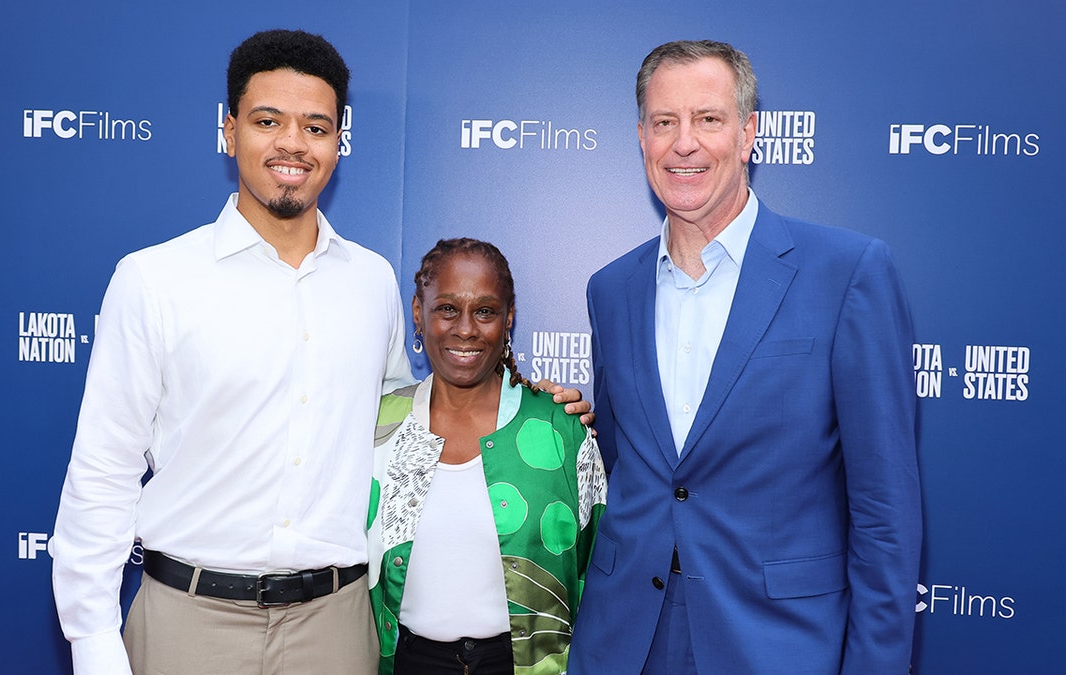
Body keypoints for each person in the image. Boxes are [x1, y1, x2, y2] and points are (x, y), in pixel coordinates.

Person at [50, 30, 592, 675]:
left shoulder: (371, 284)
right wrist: (92, 642)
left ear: (338, 141)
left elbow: (401, 427)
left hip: (335, 628)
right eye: (267, 121)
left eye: (315, 126)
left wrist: (531, 402)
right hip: (188, 620)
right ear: (229, 131)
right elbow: (102, 473)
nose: (291, 144)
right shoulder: (153, 280)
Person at [569, 40, 921, 674]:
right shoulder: (611, 289)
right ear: (642, 138)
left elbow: (884, 514)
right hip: (624, 641)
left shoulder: (846, 274)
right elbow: (629, 466)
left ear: (749, 133)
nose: (685, 143)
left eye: (708, 119)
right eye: (664, 122)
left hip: (776, 642)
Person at [367, 238, 606, 675]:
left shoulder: (560, 428)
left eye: (485, 311)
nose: (465, 329)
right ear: (418, 314)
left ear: (508, 318)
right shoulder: (380, 427)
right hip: (408, 663)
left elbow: (600, 567)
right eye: (446, 309)